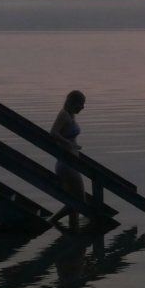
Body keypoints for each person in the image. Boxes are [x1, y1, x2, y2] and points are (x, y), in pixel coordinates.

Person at [48, 90, 86, 232]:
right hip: (66, 165)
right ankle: (52, 221)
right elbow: (53, 133)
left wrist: (74, 145)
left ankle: (73, 231)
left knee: (74, 203)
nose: (83, 107)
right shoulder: (63, 114)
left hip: (72, 163)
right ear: (73, 103)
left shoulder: (71, 115)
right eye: (81, 104)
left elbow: (68, 136)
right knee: (80, 201)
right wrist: (69, 144)